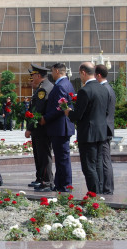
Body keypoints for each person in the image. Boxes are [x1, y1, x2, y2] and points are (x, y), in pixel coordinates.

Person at [65, 62, 109, 194]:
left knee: (89, 166)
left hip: (88, 134)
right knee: (98, 164)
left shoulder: (85, 91)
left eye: (80, 74)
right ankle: (100, 193)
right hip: (101, 132)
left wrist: (68, 112)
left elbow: (77, 115)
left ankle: (93, 194)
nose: (80, 77)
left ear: (83, 73)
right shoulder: (104, 88)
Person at [40, 63, 75, 192]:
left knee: (62, 159)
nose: (51, 74)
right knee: (61, 158)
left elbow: (60, 108)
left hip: (60, 127)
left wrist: (45, 118)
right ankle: (60, 184)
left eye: (52, 71)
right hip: (61, 127)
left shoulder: (60, 86)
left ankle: (65, 185)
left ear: (56, 71)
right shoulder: (67, 84)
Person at [25, 64, 54, 192]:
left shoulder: (43, 90)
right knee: (39, 155)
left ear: (38, 76)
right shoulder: (43, 87)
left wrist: (29, 128)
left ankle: (47, 181)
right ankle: (41, 179)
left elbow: (37, 111)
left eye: (33, 76)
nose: (31, 79)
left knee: (44, 156)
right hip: (40, 129)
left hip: (42, 129)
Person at [95, 64, 116, 195]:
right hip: (106, 128)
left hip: (104, 129)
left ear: (98, 75)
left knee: (104, 160)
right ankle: (106, 187)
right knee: (104, 159)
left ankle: (107, 188)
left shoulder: (104, 90)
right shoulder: (109, 88)